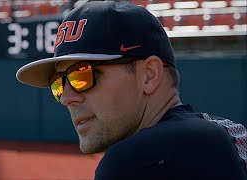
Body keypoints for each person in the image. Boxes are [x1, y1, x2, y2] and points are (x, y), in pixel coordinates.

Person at [16, 1, 247, 179]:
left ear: (149, 75)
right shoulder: (217, 131)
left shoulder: (137, 160)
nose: (66, 97)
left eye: (82, 75)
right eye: (58, 83)